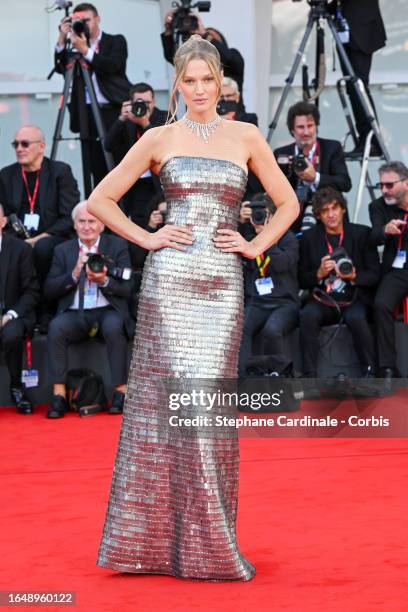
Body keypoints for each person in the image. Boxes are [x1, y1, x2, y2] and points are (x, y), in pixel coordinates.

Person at [87, 34, 298, 581]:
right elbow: (100, 199)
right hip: (170, 285)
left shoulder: (246, 135)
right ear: (177, 82)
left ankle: (208, 544)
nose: (201, 90)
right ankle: (165, 546)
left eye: (210, 80)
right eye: (191, 80)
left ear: (221, 81)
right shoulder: (158, 137)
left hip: (223, 288)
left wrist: (255, 246)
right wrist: (148, 238)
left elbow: (289, 203)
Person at [44, 201, 134, 419]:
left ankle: (121, 391)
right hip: (75, 312)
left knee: (115, 327)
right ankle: (60, 394)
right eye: (81, 221)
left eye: (92, 221)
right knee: (56, 327)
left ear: (102, 225)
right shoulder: (62, 250)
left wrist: (103, 280)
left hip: (106, 309)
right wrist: (74, 273)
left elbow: (129, 287)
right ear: (74, 225)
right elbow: (49, 290)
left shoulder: (117, 246)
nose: (87, 226)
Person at [0, 125, 79, 330]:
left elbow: (68, 216)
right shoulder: (7, 175)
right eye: (15, 144)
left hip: (52, 236)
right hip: (17, 238)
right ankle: (16, 310)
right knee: (12, 248)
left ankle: (45, 311)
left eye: (25, 144)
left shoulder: (60, 172)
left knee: (42, 248)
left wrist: (36, 239)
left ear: (41, 146)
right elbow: (5, 216)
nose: (19, 148)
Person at [298, 187, 380, 379]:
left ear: (343, 209)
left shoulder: (362, 234)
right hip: (323, 299)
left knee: (357, 318)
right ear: (318, 215)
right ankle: (310, 376)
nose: (331, 214)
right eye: (325, 211)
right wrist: (318, 273)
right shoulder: (309, 239)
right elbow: (300, 279)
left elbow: (375, 275)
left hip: (355, 298)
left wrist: (353, 276)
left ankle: (370, 373)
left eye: (334, 208)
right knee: (308, 315)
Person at [55, 3, 132, 186]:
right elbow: (60, 67)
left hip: (112, 110)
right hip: (86, 111)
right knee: (95, 166)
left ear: (97, 19)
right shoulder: (73, 46)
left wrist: (85, 51)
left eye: (86, 20)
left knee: (118, 163)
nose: (83, 24)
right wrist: (62, 38)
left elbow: (113, 66)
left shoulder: (115, 41)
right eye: (77, 21)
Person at [238, 194, 299, 377]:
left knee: (272, 330)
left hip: (285, 303)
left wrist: (267, 238)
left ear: (273, 216)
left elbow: (282, 265)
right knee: (241, 328)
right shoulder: (247, 238)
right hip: (257, 302)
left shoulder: (288, 239)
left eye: (263, 214)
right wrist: (241, 223)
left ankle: (279, 376)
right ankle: (243, 379)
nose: (259, 219)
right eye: (255, 214)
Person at [274, 101, 352, 235]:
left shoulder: (332, 148)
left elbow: (345, 183)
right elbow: (274, 189)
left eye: (310, 126)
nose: (306, 132)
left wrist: (315, 177)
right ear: (292, 130)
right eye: (300, 127)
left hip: (327, 219)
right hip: (292, 221)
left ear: (316, 126)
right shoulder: (281, 153)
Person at [104, 82, 167, 228]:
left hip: (158, 182)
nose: (144, 106)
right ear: (130, 103)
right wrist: (121, 119)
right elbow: (108, 145)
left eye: (147, 102)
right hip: (135, 183)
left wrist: (145, 124)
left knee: (158, 222)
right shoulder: (128, 120)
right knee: (139, 222)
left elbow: (163, 146)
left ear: (154, 102)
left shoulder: (164, 117)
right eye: (139, 102)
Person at [331, 0, 386, 157]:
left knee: (358, 87)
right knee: (352, 88)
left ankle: (372, 141)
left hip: (361, 28)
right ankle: (365, 140)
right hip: (346, 29)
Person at [369, 162, 408, 380]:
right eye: (381, 185)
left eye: (389, 185)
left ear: (406, 183)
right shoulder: (378, 206)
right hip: (397, 269)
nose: (384, 190)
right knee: (381, 304)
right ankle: (387, 367)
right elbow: (373, 236)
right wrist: (385, 230)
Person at [0, 204, 39, 414]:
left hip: (12, 313)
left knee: (11, 334)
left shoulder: (19, 249)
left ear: (3, 222)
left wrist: (9, 316)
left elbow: (31, 291)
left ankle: (16, 387)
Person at [161, 11, 245, 104]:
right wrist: (168, 31)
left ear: (221, 43)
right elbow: (173, 57)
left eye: (211, 39)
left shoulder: (233, 56)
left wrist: (204, 34)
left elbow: (226, 57)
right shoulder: (195, 63)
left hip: (231, 115)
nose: (207, 45)